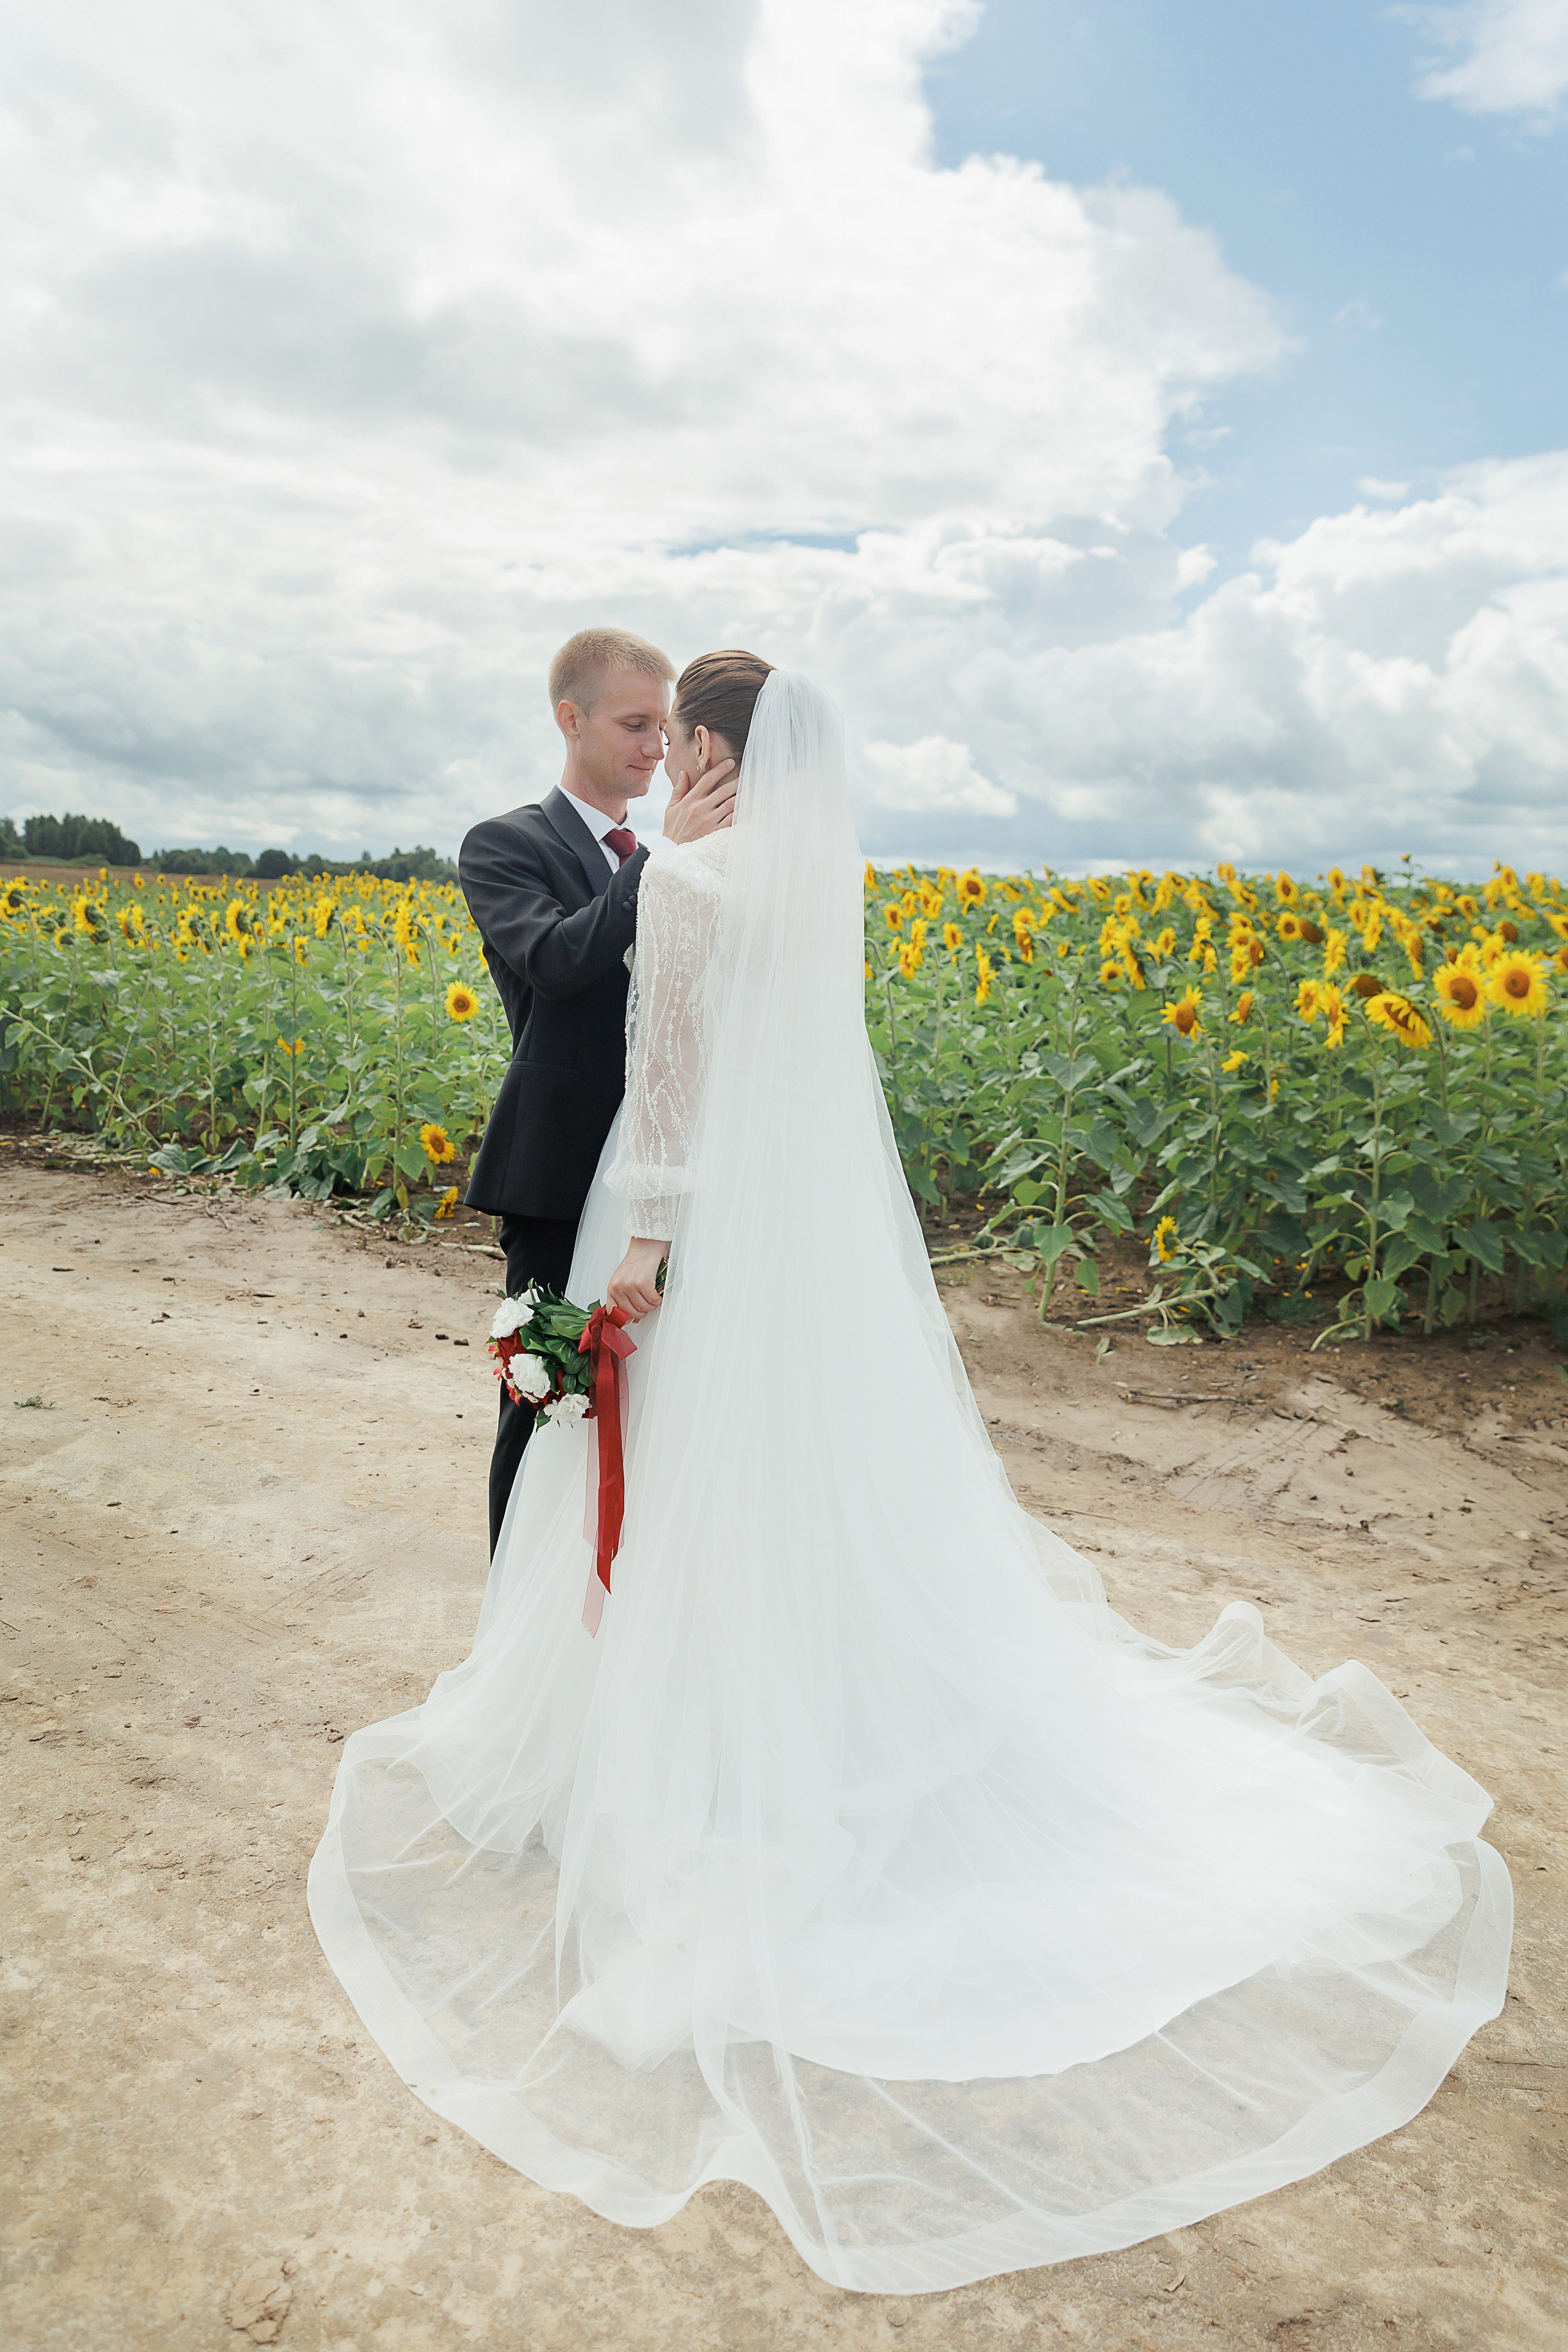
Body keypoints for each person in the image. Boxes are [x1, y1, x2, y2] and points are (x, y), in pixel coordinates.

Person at [311, 665, 1511, 2296]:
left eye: (691, 736)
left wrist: (645, 1251)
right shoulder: (820, 878)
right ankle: (823, 1722)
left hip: (694, 1230)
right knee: (806, 1493)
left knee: (671, 1490)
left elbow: (666, 1084)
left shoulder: (695, 876)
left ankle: (673, 1753)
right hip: (812, 1254)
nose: (673, 754)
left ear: (720, 754)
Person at [458, 628, 736, 1553]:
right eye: (633, 723)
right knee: (547, 1394)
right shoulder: (504, 845)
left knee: (658, 1399)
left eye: (665, 725)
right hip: (563, 1166)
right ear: (569, 720)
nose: (657, 747)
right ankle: (513, 1623)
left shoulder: (689, 853)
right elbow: (555, 960)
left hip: (675, 1167)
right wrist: (665, 863)